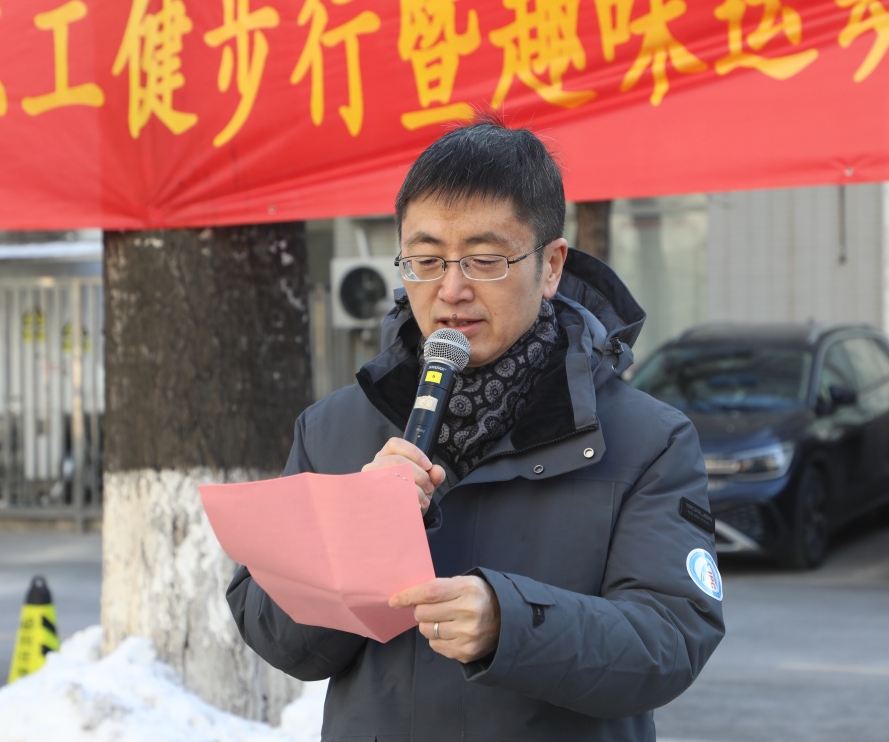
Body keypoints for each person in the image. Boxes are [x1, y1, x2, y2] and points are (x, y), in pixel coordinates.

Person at [227, 113, 725, 741]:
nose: (451, 289)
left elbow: (670, 641)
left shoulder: (648, 439)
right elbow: (276, 637)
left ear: (551, 266)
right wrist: (352, 530)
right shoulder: (334, 427)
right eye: (425, 260)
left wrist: (512, 623)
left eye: (485, 260)